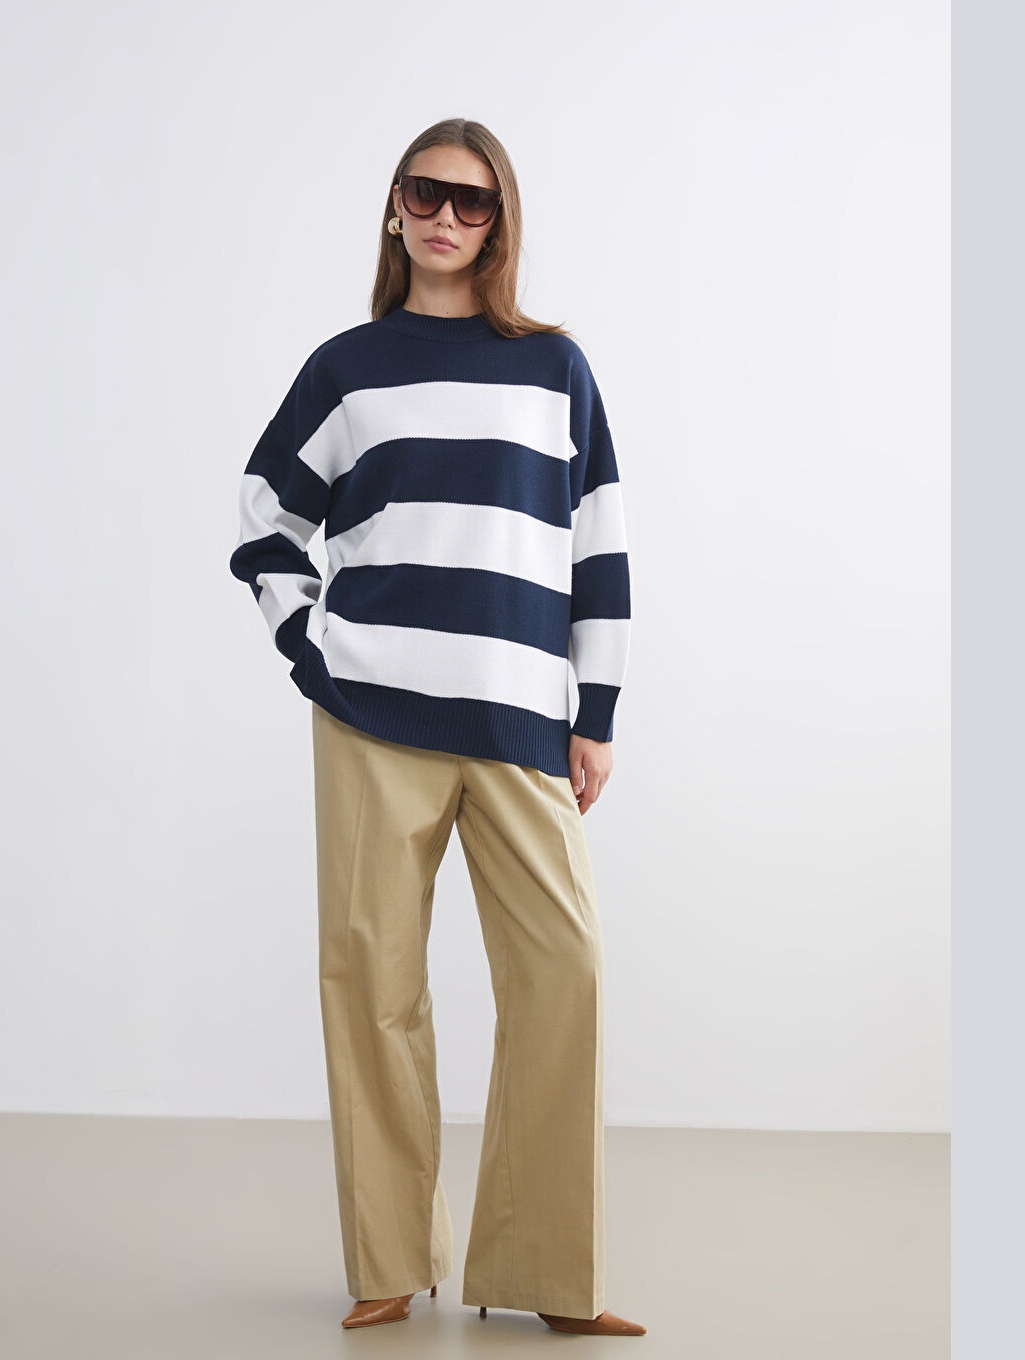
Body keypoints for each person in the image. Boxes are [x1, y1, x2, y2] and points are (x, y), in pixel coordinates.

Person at [228, 118, 643, 1337]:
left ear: (500, 220)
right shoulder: (347, 368)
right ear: (394, 207)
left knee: (565, 970)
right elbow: (263, 515)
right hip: (372, 714)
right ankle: (389, 1258)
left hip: (517, 717)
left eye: (472, 201)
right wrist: (310, 646)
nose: (447, 218)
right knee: (372, 979)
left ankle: (547, 1274)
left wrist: (595, 710)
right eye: (426, 194)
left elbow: (598, 544)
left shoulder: (554, 368)